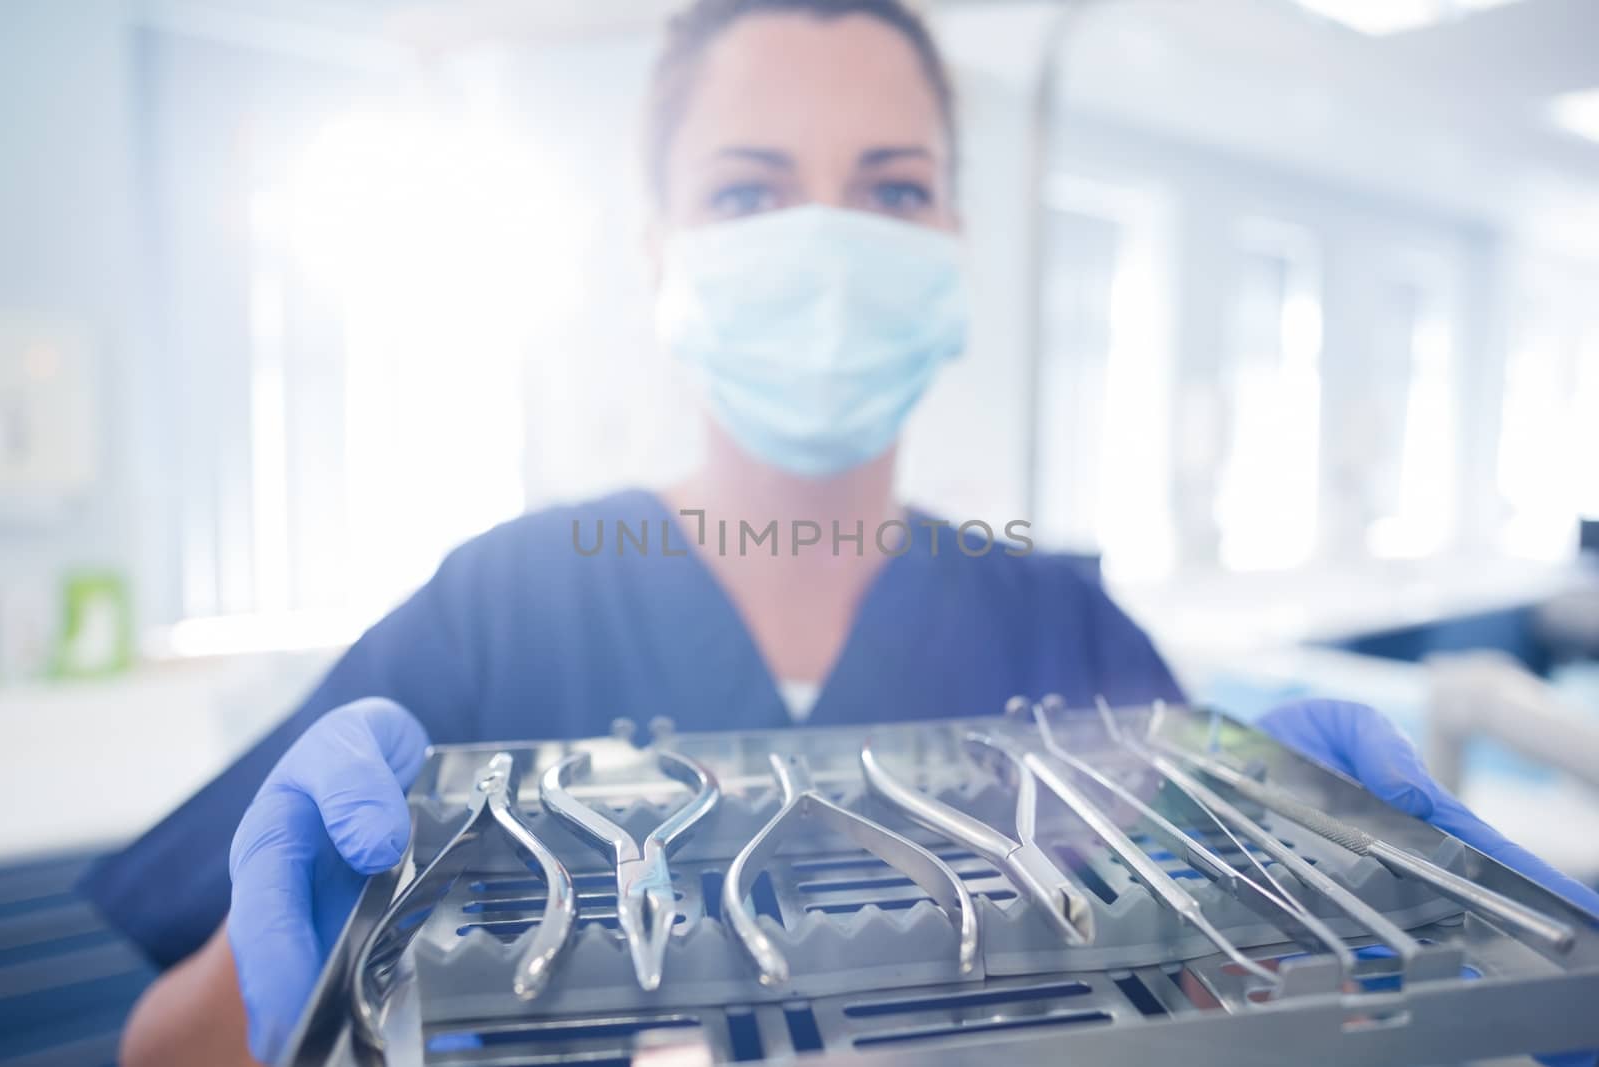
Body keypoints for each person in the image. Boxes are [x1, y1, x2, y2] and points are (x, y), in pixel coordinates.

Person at [93, 2, 1599, 1065]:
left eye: (893, 191)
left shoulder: (1058, 621)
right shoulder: (504, 603)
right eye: (748, 192)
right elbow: (161, 1059)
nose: (825, 244)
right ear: (659, 254)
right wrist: (280, 938)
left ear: (950, 248)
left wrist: (1379, 894)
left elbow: (1246, 1011)